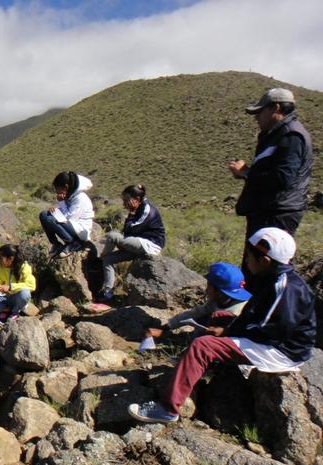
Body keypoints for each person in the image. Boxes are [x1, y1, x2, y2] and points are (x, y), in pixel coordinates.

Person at [129, 227, 316, 424]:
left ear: (264, 260)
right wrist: (228, 328)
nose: (247, 260)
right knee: (220, 316)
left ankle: (167, 409)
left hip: (281, 350)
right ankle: (201, 367)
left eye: (249, 256)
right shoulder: (271, 278)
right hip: (271, 339)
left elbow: (273, 330)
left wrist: (228, 331)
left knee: (203, 346)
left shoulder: (285, 288)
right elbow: (252, 316)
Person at [228, 88, 313, 281]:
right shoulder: (277, 134)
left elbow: (283, 178)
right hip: (268, 211)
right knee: (254, 268)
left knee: (266, 271)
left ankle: (276, 301)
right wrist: (246, 175)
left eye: (260, 111)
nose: (256, 117)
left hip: (277, 214)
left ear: (275, 108)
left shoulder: (291, 136)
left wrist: (247, 172)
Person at [145, 262, 251, 340]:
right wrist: (165, 328)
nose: (206, 290)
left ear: (219, 291)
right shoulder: (218, 301)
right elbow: (193, 313)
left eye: (209, 286)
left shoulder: (239, 311)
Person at [97, 184, 165, 302]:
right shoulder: (139, 207)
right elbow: (128, 231)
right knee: (108, 260)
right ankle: (107, 293)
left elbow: (131, 229)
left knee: (112, 236)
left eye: (126, 200)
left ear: (136, 199)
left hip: (150, 245)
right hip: (139, 244)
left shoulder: (147, 209)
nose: (124, 204)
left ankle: (99, 259)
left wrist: (131, 213)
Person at [39, 171, 94, 259]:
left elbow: (68, 218)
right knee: (44, 215)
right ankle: (55, 244)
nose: (57, 193)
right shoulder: (70, 195)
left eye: (58, 189)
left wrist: (61, 202)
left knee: (51, 219)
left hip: (80, 230)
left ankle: (73, 243)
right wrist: (56, 210)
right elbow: (66, 212)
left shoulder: (80, 198)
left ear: (66, 187)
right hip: (71, 226)